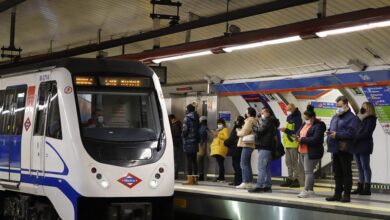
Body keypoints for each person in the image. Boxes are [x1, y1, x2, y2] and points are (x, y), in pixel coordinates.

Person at [326, 96, 359, 203]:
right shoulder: (336, 116)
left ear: (346, 105)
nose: (338, 108)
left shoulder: (352, 118)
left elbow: (352, 133)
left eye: (339, 106)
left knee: (346, 172)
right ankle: (337, 194)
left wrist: (337, 134)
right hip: (335, 148)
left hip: (345, 149)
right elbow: (332, 128)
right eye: (337, 106)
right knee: (337, 172)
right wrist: (330, 132)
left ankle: (346, 195)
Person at [296, 105, 326, 198]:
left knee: (308, 172)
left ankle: (305, 191)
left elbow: (316, 139)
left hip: (312, 152)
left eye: (307, 118)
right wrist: (297, 137)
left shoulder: (319, 125)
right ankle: (311, 190)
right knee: (308, 171)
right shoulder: (305, 124)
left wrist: (302, 140)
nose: (305, 120)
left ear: (312, 118)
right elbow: (299, 132)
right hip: (302, 150)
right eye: (304, 118)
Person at [249, 107, 280, 193]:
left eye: (263, 113)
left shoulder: (268, 121)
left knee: (261, 167)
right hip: (267, 146)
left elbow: (260, 130)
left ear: (268, 113)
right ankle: (267, 186)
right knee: (266, 168)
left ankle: (259, 186)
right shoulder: (270, 121)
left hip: (265, 146)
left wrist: (253, 127)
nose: (261, 114)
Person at [351, 102, 377, 195]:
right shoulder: (359, 118)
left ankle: (367, 188)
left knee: (365, 166)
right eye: (362, 106)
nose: (362, 108)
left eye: (365, 107)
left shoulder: (371, 119)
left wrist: (354, 137)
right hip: (356, 145)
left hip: (364, 145)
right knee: (359, 167)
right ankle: (360, 187)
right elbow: (354, 129)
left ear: (369, 108)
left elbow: (366, 132)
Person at [280, 104, 303, 188]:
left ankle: (296, 180)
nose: (287, 111)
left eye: (288, 109)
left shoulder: (298, 119)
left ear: (293, 108)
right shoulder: (289, 117)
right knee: (288, 162)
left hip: (293, 143)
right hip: (287, 144)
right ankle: (289, 179)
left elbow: (296, 132)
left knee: (294, 163)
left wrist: (285, 130)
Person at [236, 107, 258, 189]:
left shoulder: (249, 120)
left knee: (243, 163)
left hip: (247, 144)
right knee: (247, 163)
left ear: (249, 113)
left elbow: (245, 132)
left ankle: (245, 181)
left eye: (246, 112)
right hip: (250, 144)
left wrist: (238, 132)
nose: (245, 113)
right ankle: (249, 182)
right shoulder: (254, 120)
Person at [182, 104, 200, 185]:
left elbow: (185, 130)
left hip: (188, 141)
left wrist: (183, 136)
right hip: (195, 141)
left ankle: (189, 179)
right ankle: (195, 179)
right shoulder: (197, 118)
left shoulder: (187, 118)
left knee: (188, 160)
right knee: (194, 160)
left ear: (188, 110)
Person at [224, 116, 245, 186]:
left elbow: (232, 138)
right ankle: (237, 180)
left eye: (236, 120)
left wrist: (226, 142)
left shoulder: (237, 128)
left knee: (236, 165)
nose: (234, 121)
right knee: (237, 165)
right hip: (238, 149)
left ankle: (238, 181)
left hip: (236, 149)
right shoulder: (241, 127)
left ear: (238, 121)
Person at [169, 114, 183, 180]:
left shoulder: (175, 126)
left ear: (173, 119)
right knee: (175, 160)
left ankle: (174, 175)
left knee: (174, 161)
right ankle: (175, 174)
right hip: (177, 144)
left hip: (175, 144)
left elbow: (175, 135)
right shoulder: (178, 124)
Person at [198, 116, 209, 181]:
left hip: (201, 144)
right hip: (205, 144)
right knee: (201, 160)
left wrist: (201, 142)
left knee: (199, 159)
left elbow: (201, 135)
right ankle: (201, 174)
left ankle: (200, 175)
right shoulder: (206, 127)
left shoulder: (202, 127)